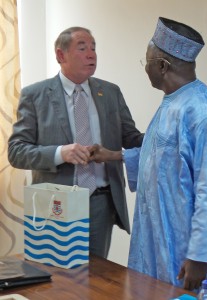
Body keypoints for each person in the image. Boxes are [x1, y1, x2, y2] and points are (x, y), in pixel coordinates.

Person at [89, 17, 207, 299]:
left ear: (161, 66)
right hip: (159, 239)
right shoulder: (172, 102)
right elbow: (160, 155)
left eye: (145, 62)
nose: (144, 68)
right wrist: (114, 155)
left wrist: (200, 255)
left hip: (188, 251)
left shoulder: (202, 110)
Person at [8, 26, 144, 258]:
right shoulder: (35, 95)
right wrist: (61, 153)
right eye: (82, 48)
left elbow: (132, 139)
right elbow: (17, 152)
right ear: (61, 56)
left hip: (101, 201)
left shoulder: (110, 92)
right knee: (57, 278)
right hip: (56, 202)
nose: (91, 54)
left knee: (97, 277)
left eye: (93, 48)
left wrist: (164, 133)